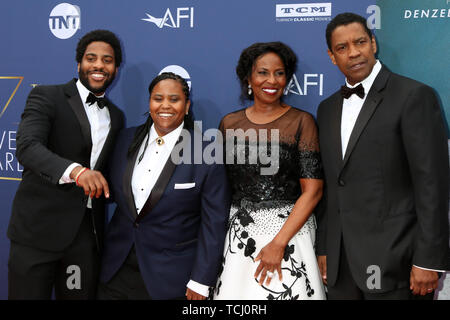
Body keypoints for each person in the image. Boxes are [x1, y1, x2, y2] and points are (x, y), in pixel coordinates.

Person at [316, 12, 449, 300]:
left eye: (360, 42)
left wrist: (428, 259)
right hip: (342, 266)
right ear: (331, 57)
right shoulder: (326, 110)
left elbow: (432, 185)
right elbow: (331, 186)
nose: (353, 53)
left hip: (397, 262)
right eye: (342, 48)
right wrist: (325, 248)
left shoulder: (414, 96)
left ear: (373, 43)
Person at [8, 30, 125, 299]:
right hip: (36, 234)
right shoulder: (47, 97)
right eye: (91, 58)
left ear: (116, 68)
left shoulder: (116, 117)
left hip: (84, 239)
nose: (99, 65)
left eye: (107, 60)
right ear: (79, 64)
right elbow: (27, 147)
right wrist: (77, 171)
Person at [98, 72, 230, 300]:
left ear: (187, 106)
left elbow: (214, 224)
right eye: (158, 98)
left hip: (171, 278)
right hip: (116, 270)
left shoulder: (207, 153)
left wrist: (201, 280)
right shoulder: (123, 139)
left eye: (174, 99)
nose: (165, 105)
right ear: (149, 103)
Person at [214, 42, 326, 300]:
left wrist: (278, 243)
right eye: (262, 72)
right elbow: (219, 187)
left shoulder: (302, 121)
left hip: (290, 234)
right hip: (239, 236)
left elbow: (314, 190)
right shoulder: (229, 123)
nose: (272, 80)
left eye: (279, 73)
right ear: (248, 79)